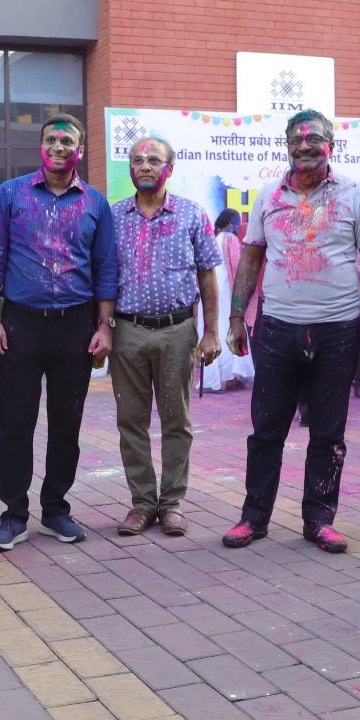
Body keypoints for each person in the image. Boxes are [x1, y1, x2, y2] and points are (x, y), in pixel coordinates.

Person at [224, 110, 360, 553]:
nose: (304, 146)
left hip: (338, 330)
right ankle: (254, 517)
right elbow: (251, 259)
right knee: (266, 430)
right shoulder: (268, 196)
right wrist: (237, 318)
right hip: (277, 330)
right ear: (286, 145)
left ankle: (319, 519)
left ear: (330, 144)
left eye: (313, 138)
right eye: (296, 140)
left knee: (328, 432)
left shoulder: (354, 195)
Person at [0, 114, 118, 551]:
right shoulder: (10, 194)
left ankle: (56, 509)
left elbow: (106, 269)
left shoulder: (96, 203)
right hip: (20, 324)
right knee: (15, 423)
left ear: (80, 149)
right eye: (51, 140)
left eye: (67, 141)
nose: (59, 147)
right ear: (41, 145)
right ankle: (14, 514)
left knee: (66, 424)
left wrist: (104, 326)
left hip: (75, 326)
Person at [109, 136, 222, 538]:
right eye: (138, 160)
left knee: (177, 421)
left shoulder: (191, 214)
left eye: (154, 160)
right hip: (126, 331)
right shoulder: (113, 216)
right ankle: (142, 503)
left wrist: (211, 332)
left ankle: (172, 503)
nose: (145, 165)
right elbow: (102, 276)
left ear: (169, 169)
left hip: (177, 331)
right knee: (131, 421)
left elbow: (207, 274)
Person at [200, 208, 254, 390]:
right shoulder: (230, 238)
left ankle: (221, 377)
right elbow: (239, 267)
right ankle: (230, 377)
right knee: (231, 328)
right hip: (226, 289)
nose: (239, 227)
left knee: (219, 330)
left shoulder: (215, 238)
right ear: (231, 224)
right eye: (237, 223)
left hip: (215, 289)